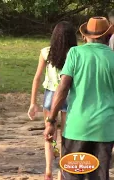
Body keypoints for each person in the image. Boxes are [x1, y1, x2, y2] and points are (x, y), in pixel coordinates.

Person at [44, 17, 114, 180]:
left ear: (85, 36)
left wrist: (51, 121)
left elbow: (62, 88)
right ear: (108, 36)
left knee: (72, 175)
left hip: (77, 127)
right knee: (99, 176)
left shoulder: (75, 53)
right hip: (104, 129)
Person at [28, 21, 77, 180]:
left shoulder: (46, 52)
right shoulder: (75, 53)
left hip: (50, 95)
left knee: (49, 134)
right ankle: (61, 172)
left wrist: (33, 102)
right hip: (69, 94)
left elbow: (36, 78)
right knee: (65, 136)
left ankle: (48, 169)